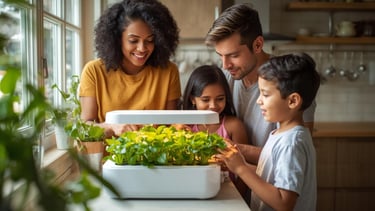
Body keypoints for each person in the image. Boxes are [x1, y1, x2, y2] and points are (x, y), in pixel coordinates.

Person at [216, 53, 320, 211]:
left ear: (292, 101)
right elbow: (268, 177)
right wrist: (236, 164)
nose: (259, 100)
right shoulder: (282, 134)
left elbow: (284, 203)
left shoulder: (291, 144)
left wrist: (241, 169)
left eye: (265, 94)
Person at [205, 3, 316, 148]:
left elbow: (297, 147)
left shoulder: (290, 79)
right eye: (220, 56)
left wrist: (237, 151)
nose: (225, 65)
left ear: (257, 45)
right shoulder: (225, 78)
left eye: (234, 55)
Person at [79, 0, 181, 138]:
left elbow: (172, 125)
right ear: (117, 39)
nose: (142, 48)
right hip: (109, 158)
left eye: (150, 40)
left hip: (155, 158)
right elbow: (85, 125)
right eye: (133, 41)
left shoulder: (168, 71)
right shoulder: (94, 71)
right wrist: (111, 127)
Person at [181, 65, 248, 145]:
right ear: (192, 99)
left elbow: (243, 156)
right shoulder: (184, 126)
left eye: (220, 99)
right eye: (205, 100)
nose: (213, 105)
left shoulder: (234, 126)